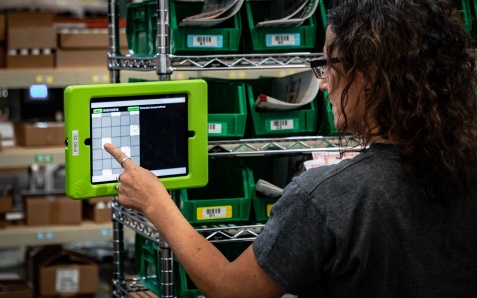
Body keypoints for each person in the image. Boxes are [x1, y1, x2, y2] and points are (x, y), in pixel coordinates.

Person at [104, 0, 477, 296]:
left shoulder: (326, 197)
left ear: (373, 74)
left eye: (331, 64)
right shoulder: (464, 169)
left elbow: (231, 289)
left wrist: (157, 203)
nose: (325, 83)